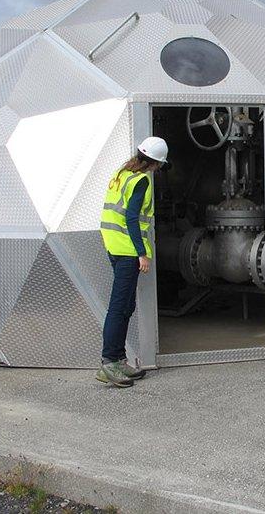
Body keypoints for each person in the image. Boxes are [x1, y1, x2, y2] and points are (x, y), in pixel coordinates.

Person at [96, 137, 168, 387]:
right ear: (156, 163)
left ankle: (118, 360)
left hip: (114, 245)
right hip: (127, 250)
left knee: (126, 306)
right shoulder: (140, 181)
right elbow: (131, 218)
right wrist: (142, 253)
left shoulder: (122, 172)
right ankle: (109, 363)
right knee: (119, 307)